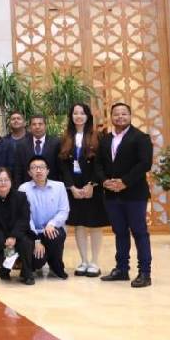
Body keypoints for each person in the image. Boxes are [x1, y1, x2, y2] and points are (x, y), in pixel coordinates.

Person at [97, 102, 154, 288]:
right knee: (120, 232)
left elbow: (145, 164)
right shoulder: (105, 139)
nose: (120, 117)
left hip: (134, 194)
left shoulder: (141, 137)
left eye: (124, 114)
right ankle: (122, 269)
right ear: (111, 117)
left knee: (139, 232)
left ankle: (144, 273)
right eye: (116, 114)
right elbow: (98, 164)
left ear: (130, 116)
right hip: (111, 194)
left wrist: (124, 182)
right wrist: (104, 181)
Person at [59, 103, 109, 278]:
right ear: (71, 116)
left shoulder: (98, 136)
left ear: (88, 116)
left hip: (92, 187)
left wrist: (92, 184)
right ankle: (84, 261)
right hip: (74, 187)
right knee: (79, 225)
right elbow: (63, 166)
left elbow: (101, 163)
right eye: (75, 113)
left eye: (82, 113)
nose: (78, 116)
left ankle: (94, 262)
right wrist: (71, 187)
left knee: (94, 225)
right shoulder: (65, 138)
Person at [18, 155, 70, 279]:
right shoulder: (23, 189)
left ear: (48, 170)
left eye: (41, 167)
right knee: (37, 261)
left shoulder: (59, 187)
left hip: (50, 229)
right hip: (32, 232)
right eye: (34, 168)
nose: (38, 170)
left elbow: (64, 211)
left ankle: (56, 266)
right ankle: (33, 265)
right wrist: (36, 239)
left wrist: (52, 224)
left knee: (56, 235)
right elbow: (26, 217)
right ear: (29, 172)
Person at [0, 167, 35, 285]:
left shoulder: (21, 197)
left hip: (19, 234)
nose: (3, 183)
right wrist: (5, 240)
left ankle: (27, 274)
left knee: (25, 243)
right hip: (1, 238)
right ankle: (5, 270)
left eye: (6, 180)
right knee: (6, 252)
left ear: (11, 181)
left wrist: (13, 236)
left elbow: (24, 219)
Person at [13, 114, 62, 186]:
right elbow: (18, 170)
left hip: (51, 186)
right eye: (34, 124)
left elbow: (61, 168)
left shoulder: (56, 143)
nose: (37, 127)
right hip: (28, 187)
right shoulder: (21, 145)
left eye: (40, 124)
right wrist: (19, 188)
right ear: (30, 127)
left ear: (45, 126)